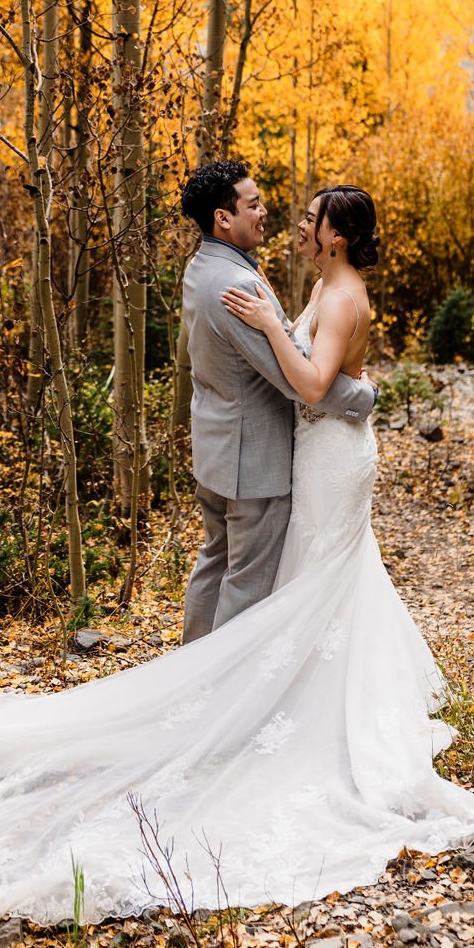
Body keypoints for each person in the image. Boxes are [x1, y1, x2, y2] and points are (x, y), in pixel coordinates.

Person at [0, 183, 474, 946]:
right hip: (306, 450)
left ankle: (269, 706)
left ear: (337, 236)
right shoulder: (303, 280)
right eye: (272, 207)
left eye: (308, 216)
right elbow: (317, 380)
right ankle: (236, 698)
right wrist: (333, 373)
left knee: (319, 583)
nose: (290, 218)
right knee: (309, 583)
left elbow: (313, 382)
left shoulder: (333, 290)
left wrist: (328, 369)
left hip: (327, 459)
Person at [179, 160, 376, 642]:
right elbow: (300, 383)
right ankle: (217, 693)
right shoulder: (240, 284)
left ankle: (190, 674)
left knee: (215, 564)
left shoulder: (203, 265)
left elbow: (289, 355)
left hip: (218, 447)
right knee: (246, 584)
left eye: (311, 218)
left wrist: (278, 325)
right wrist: (365, 396)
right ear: (223, 218)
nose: (268, 213)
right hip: (253, 461)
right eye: (254, 204)